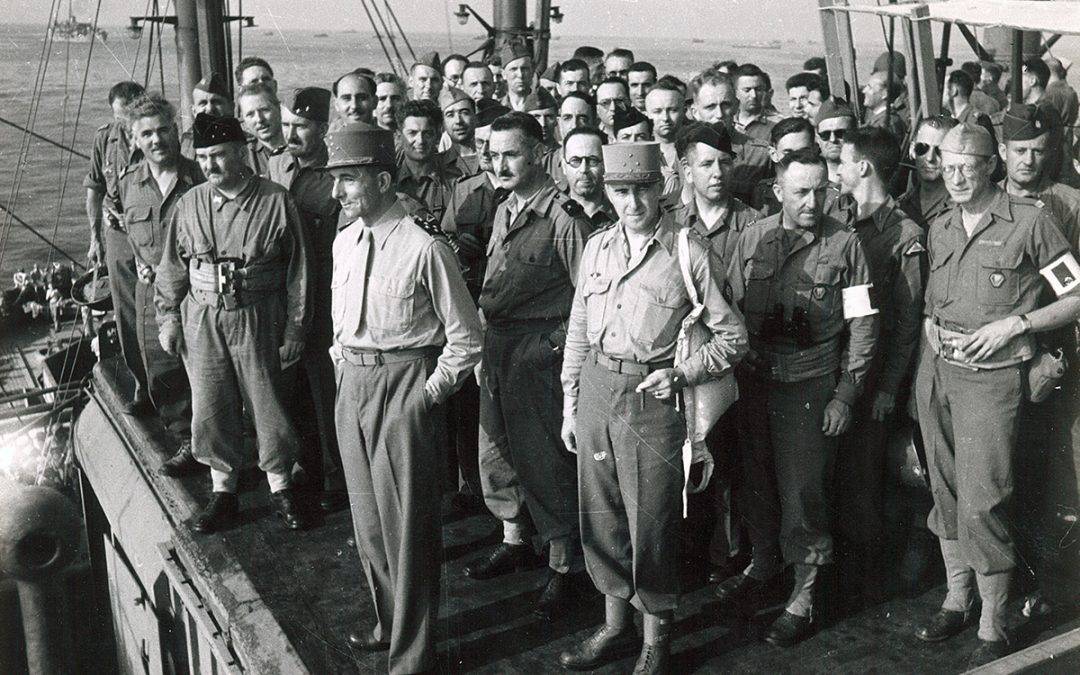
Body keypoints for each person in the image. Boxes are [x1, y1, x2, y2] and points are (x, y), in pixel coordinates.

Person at [558, 140, 747, 673]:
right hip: (598, 387)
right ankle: (615, 627)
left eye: (642, 189)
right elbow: (578, 331)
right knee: (601, 515)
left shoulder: (687, 253)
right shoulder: (596, 247)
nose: (632, 202)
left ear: (660, 187)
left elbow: (733, 338)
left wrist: (682, 373)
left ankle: (655, 639)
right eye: (621, 191)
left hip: (652, 399)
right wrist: (571, 404)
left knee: (653, 523)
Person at [913, 122, 1080, 668]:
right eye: (947, 164)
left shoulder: (1030, 223)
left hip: (993, 382)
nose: (956, 176)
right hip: (937, 372)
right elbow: (934, 300)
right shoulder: (939, 225)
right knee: (944, 488)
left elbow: (1076, 294)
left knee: (985, 497)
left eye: (968, 166)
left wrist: (1018, 325)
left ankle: (992, 620)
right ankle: (956, 599)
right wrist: (931, 331)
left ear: (992, 166)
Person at [326, 123, 483, 674]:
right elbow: (341, 320)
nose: (337, 193)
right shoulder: (346, 240)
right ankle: (388, 621)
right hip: (353, 382)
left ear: (383, 179)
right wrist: (340, 359)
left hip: (404, 386)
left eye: (347, 181)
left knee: (408, 528)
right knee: (368, 522)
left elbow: (466, 338)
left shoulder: (425, 247)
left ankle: (413, 655)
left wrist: (427, 396)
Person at [721, 148, 879, 647]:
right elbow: (723, 306)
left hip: (809, 390)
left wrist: (845, 395)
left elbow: (864, 324)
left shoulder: (846, 245)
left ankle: (803, 595)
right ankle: (764, 564)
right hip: (753, 385)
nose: (812, 202)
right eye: (800, 192)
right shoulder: (749, 239)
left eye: (820, 191)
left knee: (803, 495)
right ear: (778, 191)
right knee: (754, 483)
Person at [155, 113, 309, 533]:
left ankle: (281, 487)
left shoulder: (276, 201)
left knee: (268, 403)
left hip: (259, 316)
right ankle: (223, 492)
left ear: (241, 153)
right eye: (203, 157)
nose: (210, 165)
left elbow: (299, 274)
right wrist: (168, 318)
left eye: (219, 155)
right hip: (203, 320)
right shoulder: (189, 205)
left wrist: (295, 328)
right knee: (210, 404)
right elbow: (171, 269)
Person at [468, 112, 593, 621]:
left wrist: (553, 347)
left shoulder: (565, 219)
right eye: (493, 155)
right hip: (498, 347)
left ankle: (566, 568)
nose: (500, 164)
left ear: (541, 155)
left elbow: (590, 299)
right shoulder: (506, 207)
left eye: (511, 154)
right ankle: (516, 538)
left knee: (547, 465)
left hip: (539, 355)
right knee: (495, 453)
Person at [834, 126, 926, 606]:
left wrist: (889, 385)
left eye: (844, 160)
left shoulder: (904, 233)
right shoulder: (843, 219)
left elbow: (908, 321)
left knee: (865, 478)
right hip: (841, 369)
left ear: (864, 167)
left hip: (874, 379)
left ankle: (865, 581)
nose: (839, 168)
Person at [998, 101, 1080, 619]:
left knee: (1058, 475)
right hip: (999, 365)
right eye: (1020, 151)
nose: (1029, 161)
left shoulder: (1067, 204)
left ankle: (1053, 586)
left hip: (1054, 360)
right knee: (1007, 475)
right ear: (1003, 151)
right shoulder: (986, 202)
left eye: (1039, 152)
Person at [267, 88, 347, 512]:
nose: (292, 133)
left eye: (302, 126)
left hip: (325, 305)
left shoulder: (334, 181)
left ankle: (336, 478)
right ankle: (307, 465)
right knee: (293, 392)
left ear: (322, 129)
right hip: (284, 303)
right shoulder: (279, 169)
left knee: (324, 392)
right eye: (289, 124)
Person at [117, 93, 200, 476]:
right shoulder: (128, 184)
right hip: (152, 294)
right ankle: (186, 442)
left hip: (198, 292)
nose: (156, 140)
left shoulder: (199, 177)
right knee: (162, 373)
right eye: (146, 133)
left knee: (208, 371)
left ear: (176, 131)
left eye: (163, 130)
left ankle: (221, 444)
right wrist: (140, 261)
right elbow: (130, 234)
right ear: (134, 140)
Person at [441, 102, 514, 518]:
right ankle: (476, 488)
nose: (487, 152)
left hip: (511, 311)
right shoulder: (464, 192)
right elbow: (449, 251)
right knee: (472, 408)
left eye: (496, 144)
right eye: (482, 144)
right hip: (475, 308)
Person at [84, 80, 147, 413]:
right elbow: (94, 192)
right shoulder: (103, 139)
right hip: (119, 236)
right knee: (126, 314)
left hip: (152, 229)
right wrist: (95, 238)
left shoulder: (155, 134)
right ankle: (142, 387)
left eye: (129, 116)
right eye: (119, 117)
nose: (125, 124)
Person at [690, 69, 770, 207]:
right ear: (695, 112)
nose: (719, 114)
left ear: (736, 106)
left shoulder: (760, 154)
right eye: (710, 107)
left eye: (726, 105)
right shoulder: (687, 152)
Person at [395, 99, 463, 221]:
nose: (420, 140)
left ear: (437, 136)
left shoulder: (454, 182)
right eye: (412, 133)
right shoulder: (389, 182)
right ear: (400, 136)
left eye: (427, 133)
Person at [750, 116, 818, 216]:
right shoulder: (762, 192)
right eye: (788, 153)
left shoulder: (826, 193)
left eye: (803, 152)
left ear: (815, 150)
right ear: (773, 154)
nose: (796, 160)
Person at [900, 115, 957, 230]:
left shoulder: (960, 208)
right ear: (912, 151)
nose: (930, 158)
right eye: (922, 148)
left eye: (940, 151)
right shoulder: (901, 205)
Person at [561, 126, 617, 229]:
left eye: (592, 160)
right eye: (575, 161)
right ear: (564, 166)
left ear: (606, 165)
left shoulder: (619, 213)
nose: (583, 169)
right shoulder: (555, 213)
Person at [645, 82, 688, 199]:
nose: (665, 118)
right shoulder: (641, 152)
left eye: (672, 110)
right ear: (646, 114)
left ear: (684, 111)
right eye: (657, 111)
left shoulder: (695, 149)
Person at [237, 82, 286, 178]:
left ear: (279, 109)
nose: (259, 119)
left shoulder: (299, 148)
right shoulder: (243, 159)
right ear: (244, 121)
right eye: (250, 114)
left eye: (264, 110)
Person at [181, 73, 233, 158]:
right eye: (203, 103)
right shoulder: (187, 143)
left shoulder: (249, 143)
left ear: (231, 107)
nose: (209, 109)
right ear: (194, 111)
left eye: (216, 102)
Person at [733, 64, 782, 142]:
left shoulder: (778, 124)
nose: (753, 95)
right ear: (736, 93)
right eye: (747, 90)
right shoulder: (726, 122)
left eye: (758, 89)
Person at [438, 87, 480, 175]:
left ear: (475, 117)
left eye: (465, 113)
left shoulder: (491, 156)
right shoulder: (438, 164)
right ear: (443, 123)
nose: (458, 121)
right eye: (450, 115)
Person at [815, 99, 857, 185]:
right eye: (825, 134)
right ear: (818, 139)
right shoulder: (813, 181)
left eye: (840, 133)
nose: (832, 139)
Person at [862, 70, 908, 142]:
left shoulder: (886, 123)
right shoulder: (881, 119)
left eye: (869, 87)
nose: (864, 91)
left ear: (884, 94)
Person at [500, 42, 535, 112]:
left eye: (525, 69)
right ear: (503, 74)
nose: (520, 75)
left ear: (532, 71)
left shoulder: (543, 107)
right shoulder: (497, 108)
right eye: (513, 69)